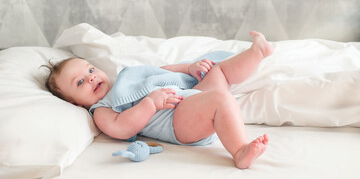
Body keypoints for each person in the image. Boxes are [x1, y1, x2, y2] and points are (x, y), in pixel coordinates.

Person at [44, 31, 273, 169]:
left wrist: (188, 68)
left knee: (218, 71)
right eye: (80, 82)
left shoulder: (126, 79)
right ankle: (240, 151)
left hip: (191, 99)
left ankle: (257, 53)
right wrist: (150, 104)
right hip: (178, 121)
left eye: (91, 69)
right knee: (221, 99)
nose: (91, 77)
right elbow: (122, 128)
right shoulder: (102, 109)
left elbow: (159, 72)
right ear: (76, 103)